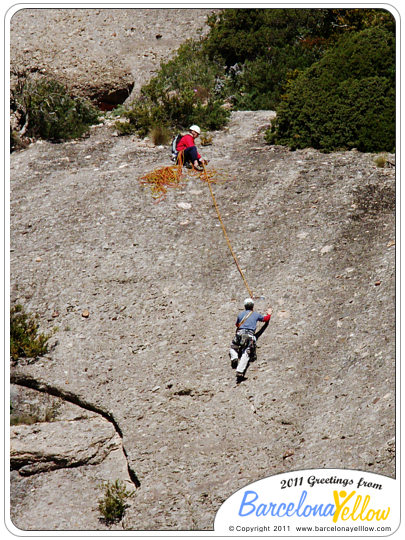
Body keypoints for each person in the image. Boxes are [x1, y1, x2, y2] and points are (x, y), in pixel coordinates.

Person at [229, 298, 273, 383]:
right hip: (249, 335)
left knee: (233, 348)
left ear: (245, 306)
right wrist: (269, 313)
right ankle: (240, 371)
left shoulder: (240, 314)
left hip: (240, 334)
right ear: (253, 306)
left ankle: (234, 357)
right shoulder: (256, 314)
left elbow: (237, 324)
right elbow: (265, 319)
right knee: (246, 353)